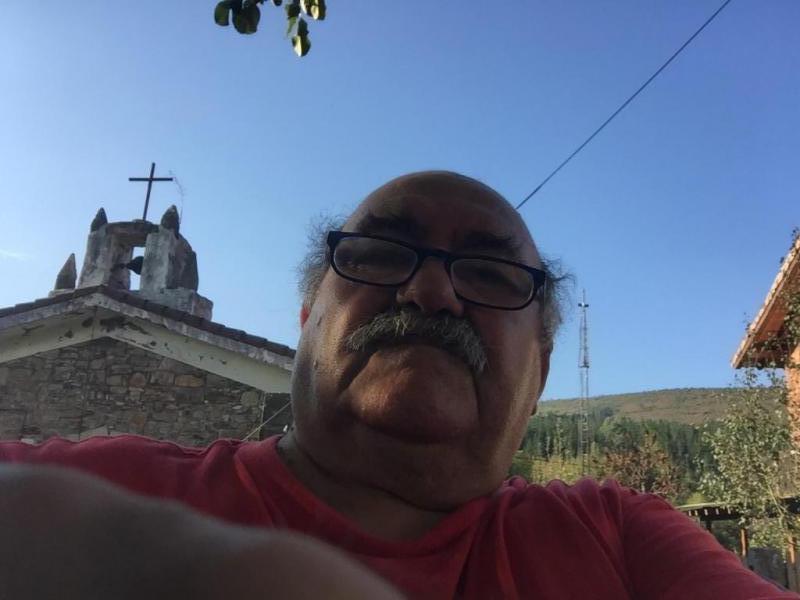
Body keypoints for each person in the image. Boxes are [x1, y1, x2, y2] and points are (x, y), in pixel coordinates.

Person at [0, 171, 796, 599]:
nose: (431, 292)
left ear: (542, 373)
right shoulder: (70, 493)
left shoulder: (618, 542)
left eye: (490, 275)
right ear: (308, 319)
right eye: (381, 256)